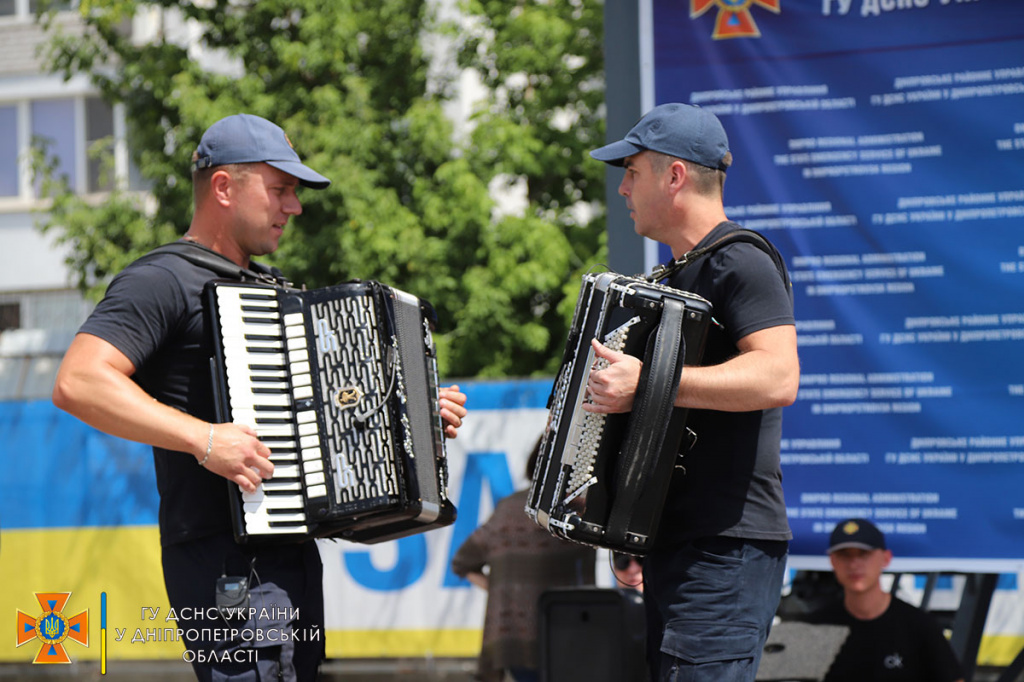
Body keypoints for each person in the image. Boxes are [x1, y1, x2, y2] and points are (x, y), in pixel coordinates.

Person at [51, 113, 468, 681]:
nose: (293, 207)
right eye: (281, 190)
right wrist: (204, 439)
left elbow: (321, 421)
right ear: (224, 187)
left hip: (288, 556)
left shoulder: (266, 287)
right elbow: (79, 382)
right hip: (225, 562)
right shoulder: (162, 279)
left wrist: (408, 421)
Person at [584, 103, 800, 681]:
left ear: (674, 175)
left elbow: (778, 377)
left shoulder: (742, 261)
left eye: (632, 172)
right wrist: (627, 518)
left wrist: (647, 383)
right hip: (680, 544)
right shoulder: (676, 277)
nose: (623, 188)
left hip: (724, 549)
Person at [451, 438, 596, 682]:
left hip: (515, 640)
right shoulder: (584, 511)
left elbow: (462, 563)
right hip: (571, 634)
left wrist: (503, 591)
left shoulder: (509, 508)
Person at [805, 519, 965, 682]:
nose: (854, 564)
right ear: (832, 561)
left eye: (863, 554)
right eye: (844, 555)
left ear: (886, 558)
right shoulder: (815, 628)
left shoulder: (919, 626)